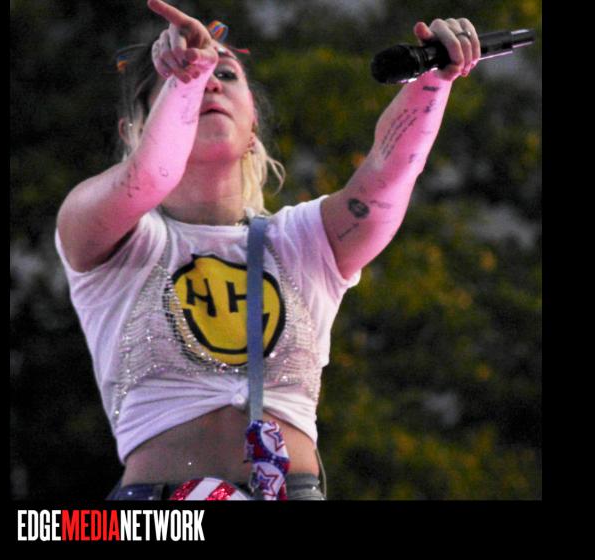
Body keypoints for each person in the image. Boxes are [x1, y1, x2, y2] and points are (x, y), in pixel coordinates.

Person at [55, 0, 481, 500]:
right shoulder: (109, 234)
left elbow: (388, 176)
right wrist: (187, 78)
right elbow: (149, 175)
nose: (212, 83)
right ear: (133, 130)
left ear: (253, 121)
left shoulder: (300, 241)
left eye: (227, 75)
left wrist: (434, 77)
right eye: (178, 83)